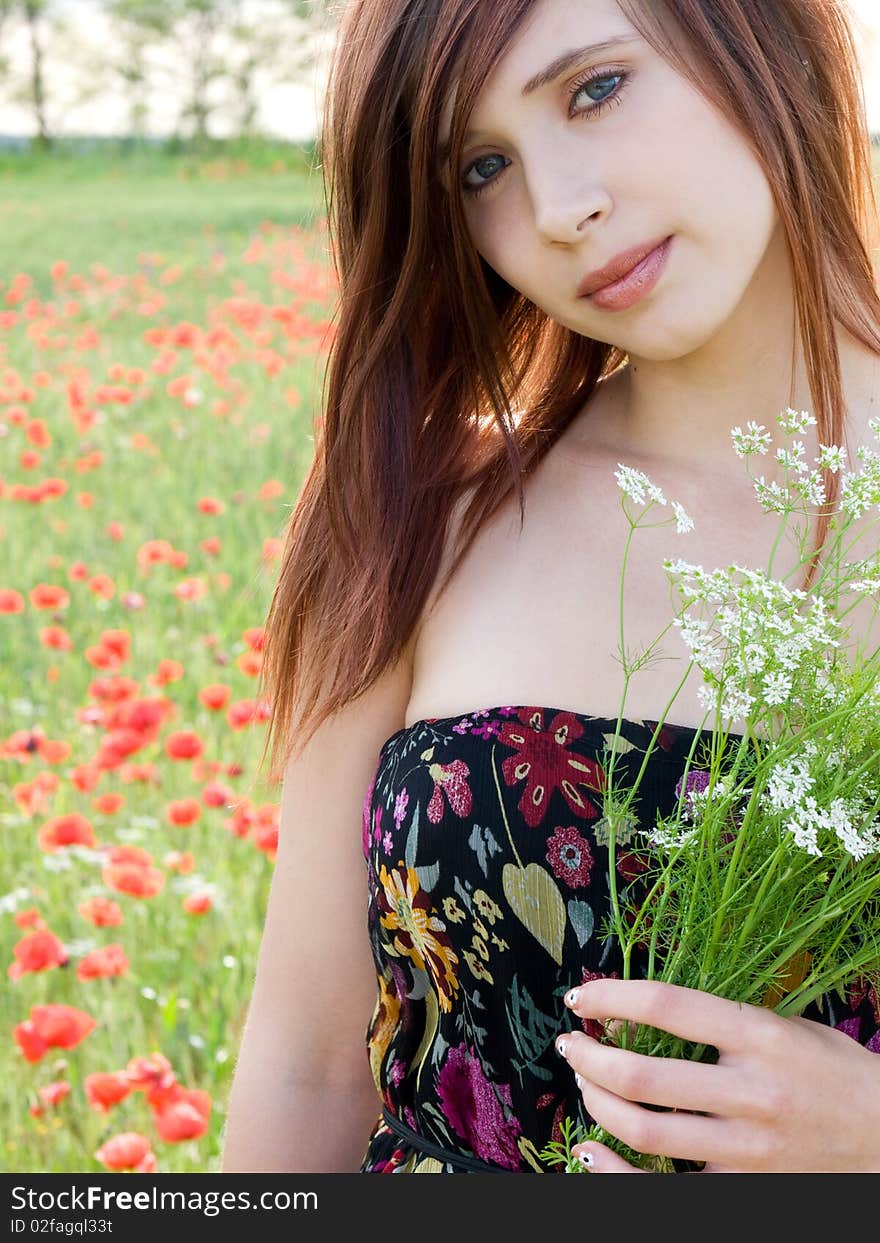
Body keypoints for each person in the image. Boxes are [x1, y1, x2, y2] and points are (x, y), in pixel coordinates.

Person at [220, 0, 880, 1174]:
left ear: (762, 33)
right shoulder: (422, 505)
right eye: (481, 168)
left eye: (595, 89)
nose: (558, 210)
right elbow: (302, 1068)